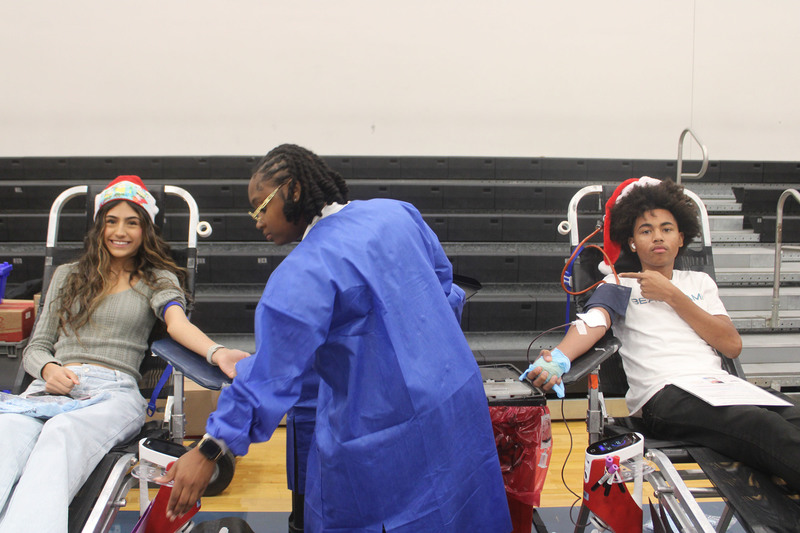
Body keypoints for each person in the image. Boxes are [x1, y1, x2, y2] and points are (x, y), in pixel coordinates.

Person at [159, 144, 512, 533]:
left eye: (261, 207)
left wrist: (210, 447)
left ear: (293, 190)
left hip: (382, 434)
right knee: (461, 506)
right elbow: (443, 286)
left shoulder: (304, 271)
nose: (257, 220)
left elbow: (271, 377)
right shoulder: (395, 213)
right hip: (456, 403)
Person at [0, 176, 250, 532]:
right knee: (4, 431)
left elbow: (177, 325)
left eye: (132, 222)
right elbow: (36, 347)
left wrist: (217, 352)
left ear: (145, 229)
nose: (120, 231)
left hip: (112, 392)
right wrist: (48, 368)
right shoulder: (66, 275)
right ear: (99, 225)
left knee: (61, 435)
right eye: (111, 220)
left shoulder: (158, 278)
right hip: (49, 391)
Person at [527, 177, 800, 492]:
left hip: (721, 389)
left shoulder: (699, 283)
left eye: (667, 229)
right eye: (646, 230)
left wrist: (672, 295)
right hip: (666, 398)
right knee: (764, 428)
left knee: (793, 418)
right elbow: (592, 323)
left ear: (681, 238)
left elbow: (731, 345)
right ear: (632, 242)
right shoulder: (619, 285)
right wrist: (559, 359)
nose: (658, 237)